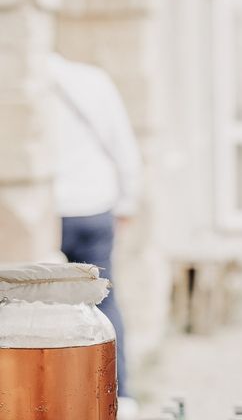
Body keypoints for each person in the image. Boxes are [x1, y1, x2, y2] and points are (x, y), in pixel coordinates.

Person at [49, 53, 142, 414]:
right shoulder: (91, 80)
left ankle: (55, 394)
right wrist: (128, 203)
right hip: (93, 206)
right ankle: (120, 396)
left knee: (36, 309)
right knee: (103, 303)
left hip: (47, 212)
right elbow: (123, 146)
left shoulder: (21, 80)